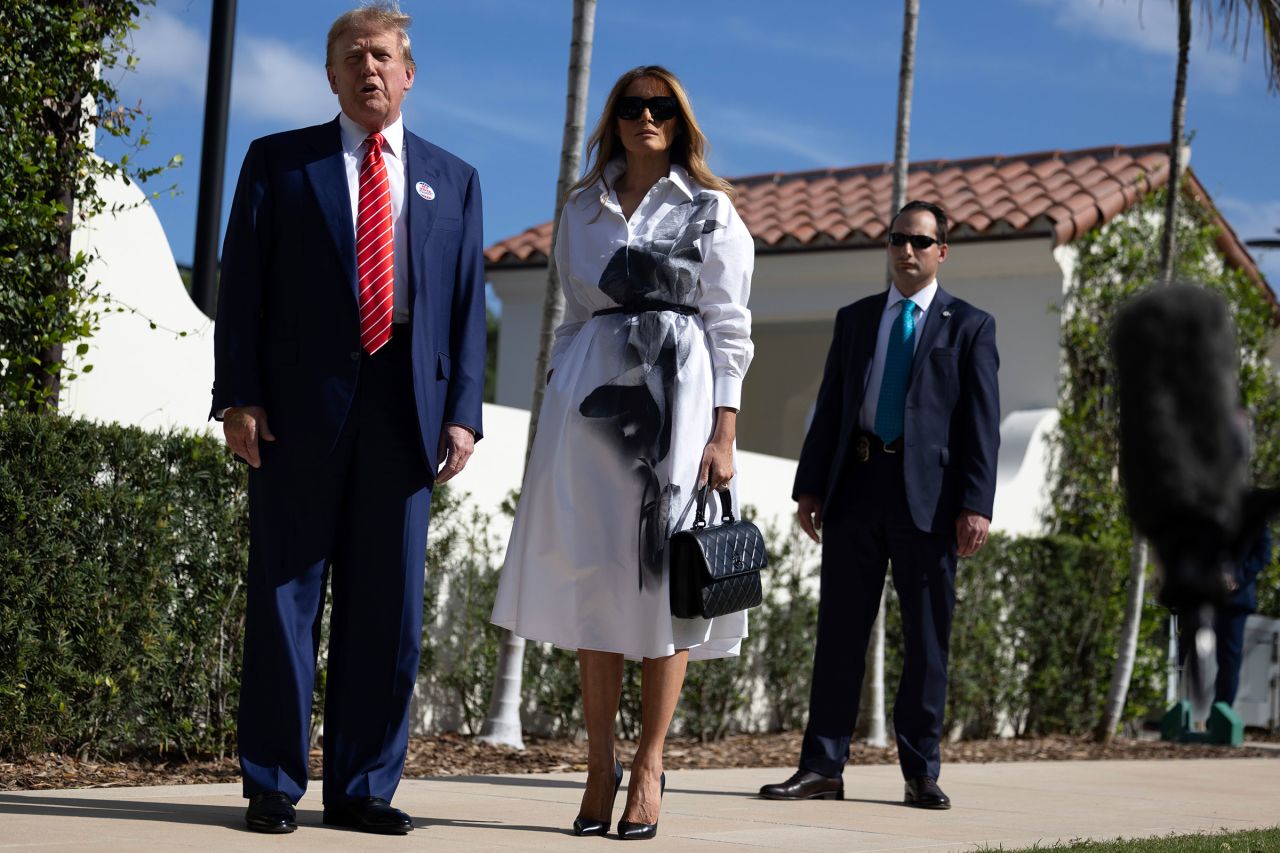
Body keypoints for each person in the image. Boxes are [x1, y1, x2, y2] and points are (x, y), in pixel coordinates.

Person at [211, 3, 485, 836]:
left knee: (388, 607)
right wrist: (239, 395)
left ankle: (365, 785)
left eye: (384, 57)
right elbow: (243, 289)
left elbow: (470, 305)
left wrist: (463, 414)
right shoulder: (278, 163)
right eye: (353, 57)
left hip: (407, 410)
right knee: (286, 595)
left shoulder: (454, 176)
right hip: (298, 410)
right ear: (332, 75)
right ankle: (271, 781)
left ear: (409, 73)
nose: (370, 69)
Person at [491, 65, 754, 840]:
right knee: (597, 586)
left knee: (664, 585)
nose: (647, 117)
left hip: (677, 406)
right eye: (634, 106)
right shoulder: (582, 208)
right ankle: (598, 762)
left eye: (662, 108)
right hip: (590, 403)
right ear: (614, 118)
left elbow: (730, 325)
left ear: (680, 122)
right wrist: (554, 409)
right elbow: (572, 316)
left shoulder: (712, 210)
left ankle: (649, 766)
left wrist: (724, 430)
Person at [759, 201, 1000, 810]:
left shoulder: (970, 326)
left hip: (932, 503)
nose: (907, 251)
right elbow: (831, 408)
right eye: (897, 240)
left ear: (943, 251)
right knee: (839, 635)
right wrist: (809, 487)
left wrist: (976, 503)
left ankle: (921, 772)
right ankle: (822, 768)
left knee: (926, 643)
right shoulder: (857, 319)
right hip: (857, 488)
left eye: (920, 242)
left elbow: (982, 425)